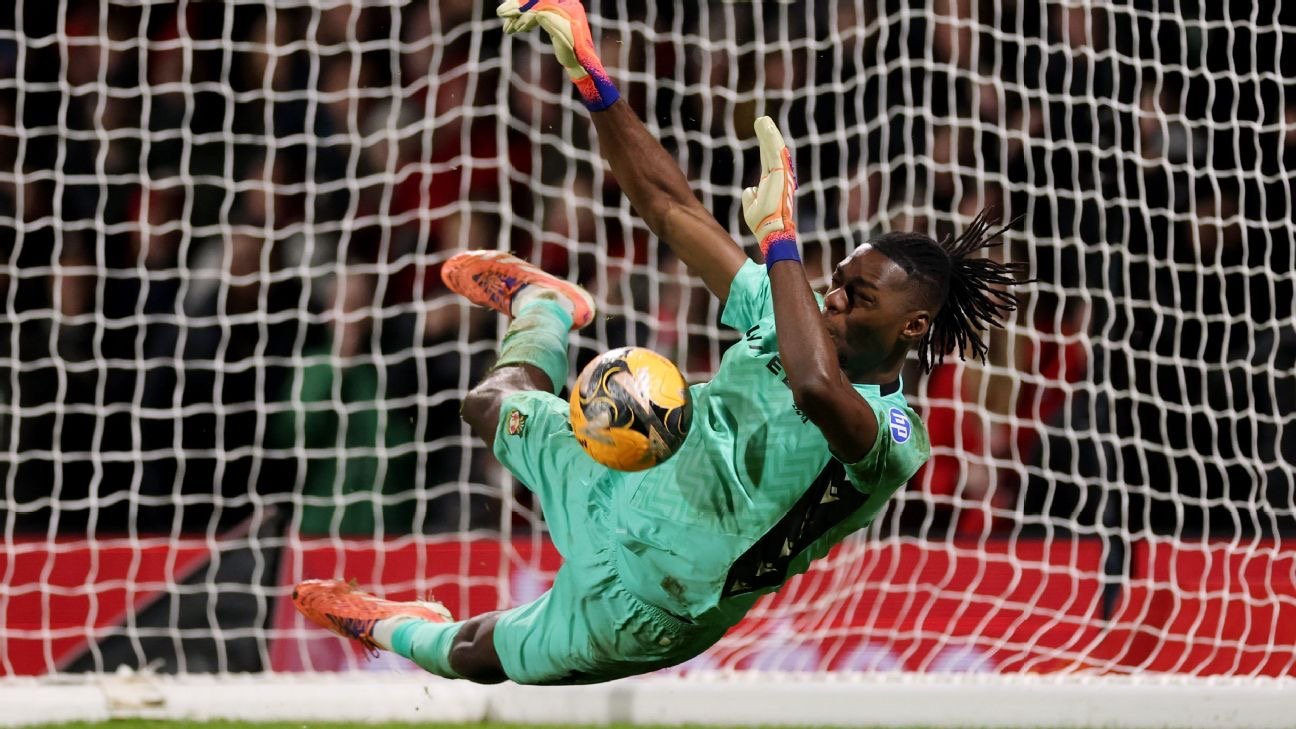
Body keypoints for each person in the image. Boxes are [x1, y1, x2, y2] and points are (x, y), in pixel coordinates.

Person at [292, 0, 1024, 685]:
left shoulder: (894, 438)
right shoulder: (788, 310)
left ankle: (386, 626)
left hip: (656, 604)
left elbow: (815, 386)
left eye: (856, 296)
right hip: (615, 473)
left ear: (912, 327)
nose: (830, 297)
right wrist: (591, 77)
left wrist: (780, 239)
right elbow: (671, 208)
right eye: (835, 281)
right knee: (486, 402)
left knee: (478, 655)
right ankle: (546, 306)